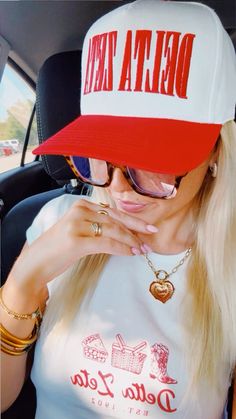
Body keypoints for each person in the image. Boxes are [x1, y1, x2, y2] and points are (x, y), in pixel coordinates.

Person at [1, 1, 236, 418]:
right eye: (100, 156)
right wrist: (25, 279)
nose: (119, 188)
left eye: (150, 160)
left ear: (216, 151)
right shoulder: (56, 222)